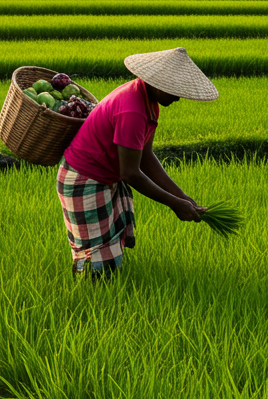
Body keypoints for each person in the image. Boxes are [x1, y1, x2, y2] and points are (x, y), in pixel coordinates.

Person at [56, 46, 218, 282]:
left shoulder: (147, 101)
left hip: (102, 178)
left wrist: (183, 198)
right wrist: (175, 205)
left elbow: (146, 157)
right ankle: (86, 296)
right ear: (156, 82)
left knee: (108, 250)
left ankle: (98, 293)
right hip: (84, 180)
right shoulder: (132, 109)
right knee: (97, 257)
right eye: (174, 90)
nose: (178, 97)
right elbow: (131, 173)